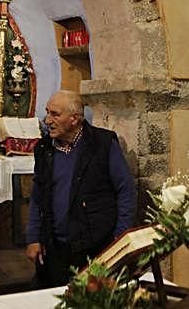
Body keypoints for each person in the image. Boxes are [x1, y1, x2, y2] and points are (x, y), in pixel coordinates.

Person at [25, 90, 136, 288]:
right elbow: (37, 197)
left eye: (55, 114)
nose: (47, 120)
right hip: (55, 250)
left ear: (74, 118)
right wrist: (33, 238)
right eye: (47, 112)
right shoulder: (44, 149)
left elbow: (126, 192)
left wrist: (119, 239)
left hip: (95, 247)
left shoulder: (102, 144)